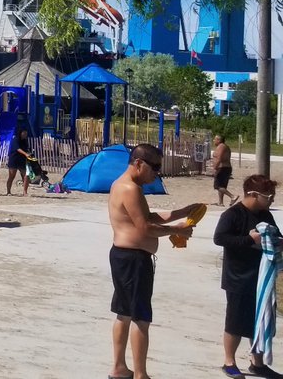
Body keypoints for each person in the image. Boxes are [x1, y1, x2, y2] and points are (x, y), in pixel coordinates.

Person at [107, 143, 202, 379]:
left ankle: (119, 367)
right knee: (141, 318)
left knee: (123, 313)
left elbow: (147, 216)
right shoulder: (130, 188)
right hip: (133, 260)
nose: (157, 173)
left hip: (124, 257)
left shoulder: (123, 185)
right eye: (155, 167)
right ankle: (141, 374)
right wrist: (177, 230)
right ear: (139, 163)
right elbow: (146, 227)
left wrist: (182, 212)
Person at [214, 174, 283, 379]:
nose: (272, 199)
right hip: (237, 277)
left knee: (260, 319)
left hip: (260, 277)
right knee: (235, 321)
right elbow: (220, 238)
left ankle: (257, 363)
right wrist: (248, 240)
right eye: (268, 196)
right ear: (253, 194)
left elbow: (277, 234)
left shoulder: (265, 215)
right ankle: (229, 361)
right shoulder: (232, 215)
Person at [5, 129, 32, 196]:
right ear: (20, 133)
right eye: (24, 133)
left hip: (22, 160)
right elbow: (17, 149)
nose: (25, 134)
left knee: (26, 175)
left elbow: (27, 148)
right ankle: (8, 192)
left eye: (26, 133)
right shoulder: (15, 139)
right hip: (14, 159)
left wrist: (29, 153)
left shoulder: (25, 141)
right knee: (12, 176)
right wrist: (25, 154)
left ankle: (25, 192)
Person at [213, 135, 238, 206]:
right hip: (226, 168)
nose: (213, 140)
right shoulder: (225, 146)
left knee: (217, 186)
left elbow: (219, 158)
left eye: (215, 139)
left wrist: (215, 168)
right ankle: (220, 202)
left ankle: (232, 196)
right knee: (222, 186)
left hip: (222, 168)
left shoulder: (221, 146)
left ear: (219, 140)